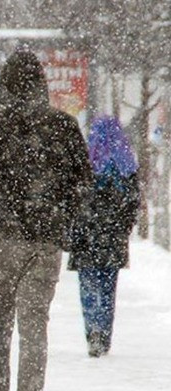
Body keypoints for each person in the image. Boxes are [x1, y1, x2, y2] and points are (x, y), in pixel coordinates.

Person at [0, 50, 93, 391]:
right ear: (42, 84)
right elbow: (83, 181)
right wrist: (56, 208)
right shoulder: (63, 126)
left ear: (4, 84)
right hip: (45, 240)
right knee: (35, 328)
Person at [68, 116, 140, 357]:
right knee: (108, 287)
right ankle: (105, 333)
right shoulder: (126, 163)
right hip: (113, 235)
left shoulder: (88, 158)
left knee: (88, 285)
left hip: (87, 233)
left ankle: (92, 331)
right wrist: (124, 227)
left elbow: (74, 197)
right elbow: (132, 202)